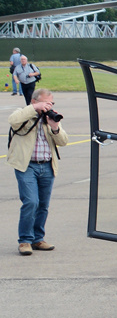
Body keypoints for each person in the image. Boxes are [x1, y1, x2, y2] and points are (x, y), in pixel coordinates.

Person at [9, 89, 67, 256]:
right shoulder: (23, 115)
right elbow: (13, 120)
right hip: (26, 166)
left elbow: (63, 141)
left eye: (51, 103)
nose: (49, 106)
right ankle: (25, 240)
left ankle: (38, 239)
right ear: (34, 102)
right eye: (45, 103)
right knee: (31, 202)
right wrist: (34, 109)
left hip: (47, 166)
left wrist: (55, 127)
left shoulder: (50, 119)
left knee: (43, 205)